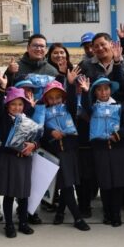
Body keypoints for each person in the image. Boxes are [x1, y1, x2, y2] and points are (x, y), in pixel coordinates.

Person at [80, 76, 124, 227]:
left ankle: (116, 213)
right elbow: (85, 106)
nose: (103, 92)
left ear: (111, 90)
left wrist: (118, 135)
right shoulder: (92, 108)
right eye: (99, 89)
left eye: (106, 89)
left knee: (117, 183)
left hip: (117, 150)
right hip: (100, 151)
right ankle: (107, 213)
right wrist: (84, 92)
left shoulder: (120, 106)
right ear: (95, 92)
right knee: (105, 183)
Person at [40, 78, 90, 231]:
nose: (55, 100)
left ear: (63, 98)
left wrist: (71, 83)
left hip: (71, 150)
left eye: (58, 97)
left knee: (68, 184)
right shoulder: (42, 112)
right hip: (56, 153)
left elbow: (74, 102)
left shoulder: (68, 108)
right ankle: (77, 218)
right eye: (51, 97)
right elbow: (38, 130)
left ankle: (60, 213)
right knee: (67, 186)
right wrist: (50, 132)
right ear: (46, 99)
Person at [0, 87, 38, 238]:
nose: (17, 107)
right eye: (13, 104)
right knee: (9, 193)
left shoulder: (28, 120)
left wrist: (34, 145)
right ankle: (9, 224)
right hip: (8, 160)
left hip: (24, 160)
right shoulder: (2, 119)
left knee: (23, 193)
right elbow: (3, 139)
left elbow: (37, 137)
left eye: (20, 104)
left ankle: (23, 222)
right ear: (7, 106)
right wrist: (0, 87)